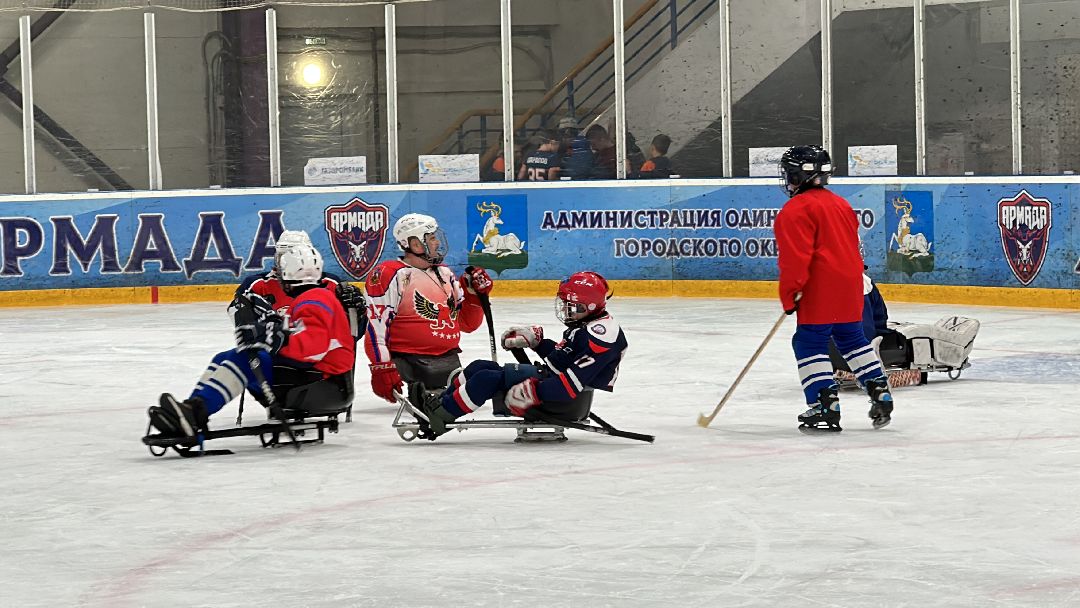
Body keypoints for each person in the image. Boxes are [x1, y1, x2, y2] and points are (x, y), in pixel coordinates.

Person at [147, 242, 356, 438]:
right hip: (319, 381)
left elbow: (312, 347)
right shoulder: (314, 298)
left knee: (247, 359)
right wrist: (269, 328)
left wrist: (271, 336)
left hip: (324, 385)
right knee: (225, 357)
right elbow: (301, 331)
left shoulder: (316, 299)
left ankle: (194, 414)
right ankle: (191, 409)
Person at [410, 271, 627, 439]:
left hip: (564, 402)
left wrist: (534, 392)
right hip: (557, 386)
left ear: (588, 306)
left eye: (570, 306)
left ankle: (439, 417)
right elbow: (562, 362)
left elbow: (569, 386)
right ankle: (439, 403)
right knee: (480, 366)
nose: (565, 310)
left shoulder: (600, 338)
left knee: (486, 379)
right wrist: (538, 343)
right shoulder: (589, 323)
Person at [773, 145, 894, 432]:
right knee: (852, 339)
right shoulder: (841, 204)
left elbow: (795, 260)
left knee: (809, 342)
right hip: (852, 285)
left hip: (820, 288)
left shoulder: (795, 210)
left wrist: (790, 295)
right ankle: (879, 389)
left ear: (796, 175)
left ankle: (824, 405)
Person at [363, 213, 493, 403]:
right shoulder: (390, 274)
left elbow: (466, 324)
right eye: (431, 238)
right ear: (416, 244)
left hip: (450, 361)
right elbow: (376, 327)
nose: (437, 242)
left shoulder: (444, 273)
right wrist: (381, 368)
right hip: (410, 362)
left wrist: (475, 297)